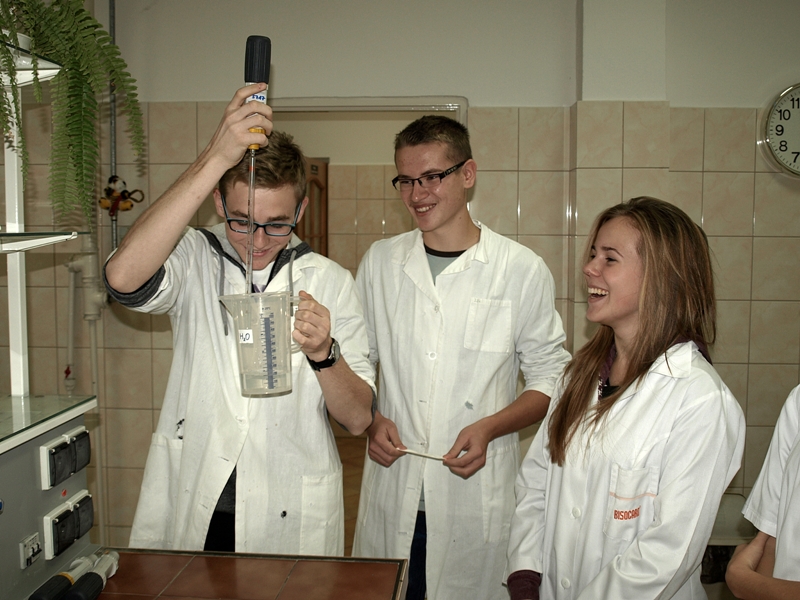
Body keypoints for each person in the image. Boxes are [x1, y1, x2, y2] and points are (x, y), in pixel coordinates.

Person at [104, 84, 375, 555]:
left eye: (278, 223)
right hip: (199, 494)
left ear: (301, 210)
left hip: (289, 502)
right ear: (218, 202)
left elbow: (357, 419)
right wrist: (216, 156)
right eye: (242, 221)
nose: (258, 241)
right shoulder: (194, 255)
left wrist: (323, 354)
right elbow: (122, 278)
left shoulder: (330, 280)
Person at [352, 115, 571, 600]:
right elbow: (357, 363)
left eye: (432, 177)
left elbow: (551, 376)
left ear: (467, 174)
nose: (417, 194)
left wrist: (491, 427)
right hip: (394, 488)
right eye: (406, 180)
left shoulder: (520, 270)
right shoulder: (380, 263)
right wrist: (371, 420)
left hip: (474, 498)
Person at [506, 197, 746, 600]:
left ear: (661, 278)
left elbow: (668, 553)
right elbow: (537, 484)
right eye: (593, 254)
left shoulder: (700, 401)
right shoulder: (577, 377)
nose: (589, 268)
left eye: (609, 258)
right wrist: (526, 575)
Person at [725, 384, 800, 599]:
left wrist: (745, 582)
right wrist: (752, 584)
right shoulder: (798, 399)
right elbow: (769, 540)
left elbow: (749, 582)